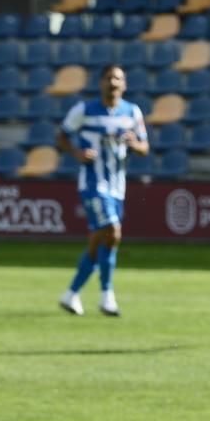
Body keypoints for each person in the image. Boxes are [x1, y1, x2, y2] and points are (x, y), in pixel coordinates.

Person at [57, 65, 149, 317]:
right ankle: (107, 295)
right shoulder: (84, 110)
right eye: (108, 78)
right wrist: (77, 153)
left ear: (125, 84)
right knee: (113, 231)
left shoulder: (132, 112)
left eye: (118, 78)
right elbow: (62, 135)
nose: (113, 82)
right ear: (101, 83)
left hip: (118, 187)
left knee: (103, 239)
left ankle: (71, 293)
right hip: (92, 184)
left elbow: (144, 147)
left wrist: (134, 144)